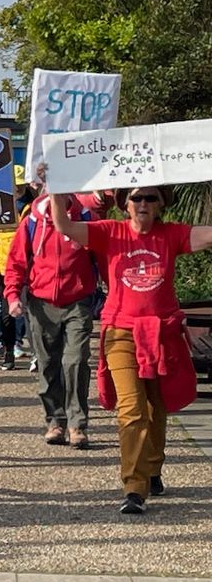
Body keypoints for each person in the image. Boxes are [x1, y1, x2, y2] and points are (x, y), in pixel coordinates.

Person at [48, 185, 212, 514]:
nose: (143, 203)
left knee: (156, 408)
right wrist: (56, 188)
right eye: (136, 197)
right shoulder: (110, 232)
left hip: (161, 333)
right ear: (125, 204)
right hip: (121, 332)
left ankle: (152, 469)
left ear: (161, 204)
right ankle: (134, 488)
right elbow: (64, 226)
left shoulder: (171, 234)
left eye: (151, 198)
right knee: (132, 409)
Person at [3, 188, 102, 449]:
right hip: (41, 303)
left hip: (78, 301)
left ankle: (77, 423)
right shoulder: (32, 221)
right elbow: (16, 262)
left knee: (76, 361)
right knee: (47, 364)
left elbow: (103, 256)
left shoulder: (86, 217)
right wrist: (13, 296)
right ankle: (55, 420)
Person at [0, 165, 36, 371]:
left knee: (32, 314)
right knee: (6, 314)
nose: (17, 189)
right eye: (14, 185)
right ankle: (8, 351)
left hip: (32, 268)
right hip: (6, 268)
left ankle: (35, 353)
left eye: (20, 185)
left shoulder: (34, 206)